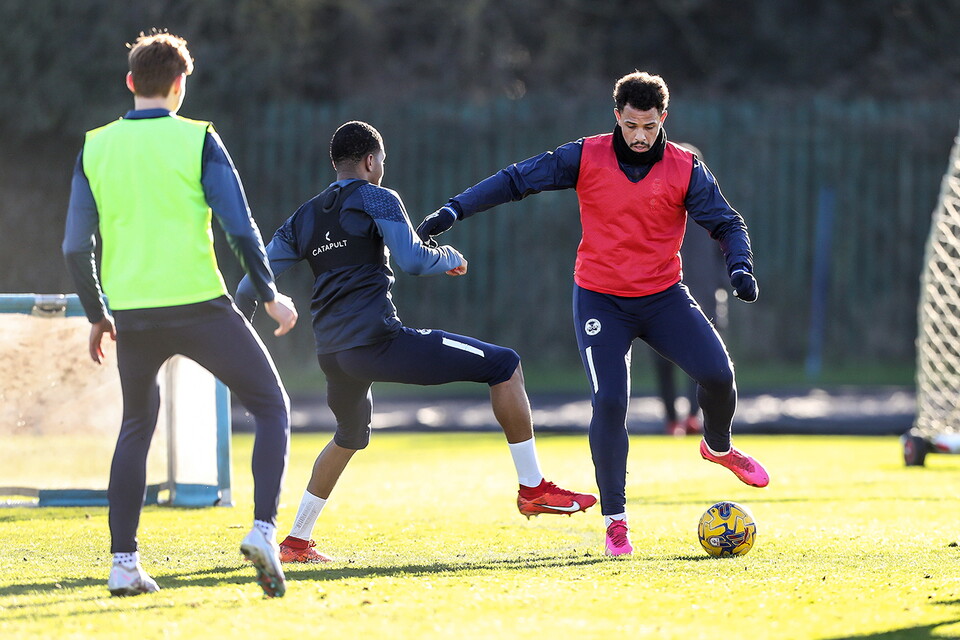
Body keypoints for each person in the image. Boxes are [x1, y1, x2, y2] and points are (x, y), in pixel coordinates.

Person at [416, 71, 769, 558]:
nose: (640, 136)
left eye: (649, 125)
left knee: (719, 374)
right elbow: (517, 179)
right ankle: (616, 522)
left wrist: (741, 267)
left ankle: (719, 446)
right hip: (601, 298)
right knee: (610, 403)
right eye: (630, 125)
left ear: (662, 119)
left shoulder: (685, 168)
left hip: (664, 295)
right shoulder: (586, 155)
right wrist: (454, 210)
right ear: (616, 118)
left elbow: (728, 222)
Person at [236, 120, 597, 563]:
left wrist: (247, 343)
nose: (382, 168)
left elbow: (247, 289)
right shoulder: (377, 196)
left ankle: (295, 542)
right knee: (504, 365)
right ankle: (533, 488)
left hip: (333, 355)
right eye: (381, 161)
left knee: (349, 436)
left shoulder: (304, 217)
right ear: (370, 161)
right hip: (379, 344)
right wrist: (448, 256)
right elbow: (410, 259)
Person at [62, 30, 297, 597]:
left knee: (136, 426)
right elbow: (239, 226)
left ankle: (123, 563)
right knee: (270, 404)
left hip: (134, 315)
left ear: (129, 82)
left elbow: (75, 246)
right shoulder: (199, 140)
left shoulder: (95, 146)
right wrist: (268, 293)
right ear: (179, 84)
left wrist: (97, 312)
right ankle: (265, 531)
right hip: (199, 305)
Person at [652, 142, 728, 437]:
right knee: (663, 358)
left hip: (704, 293)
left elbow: (725, 249)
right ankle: (672, 418)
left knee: (704, 357)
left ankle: (695, 416)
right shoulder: (657, 206)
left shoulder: (712, 209)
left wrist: (722, 285)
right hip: (663, 293)